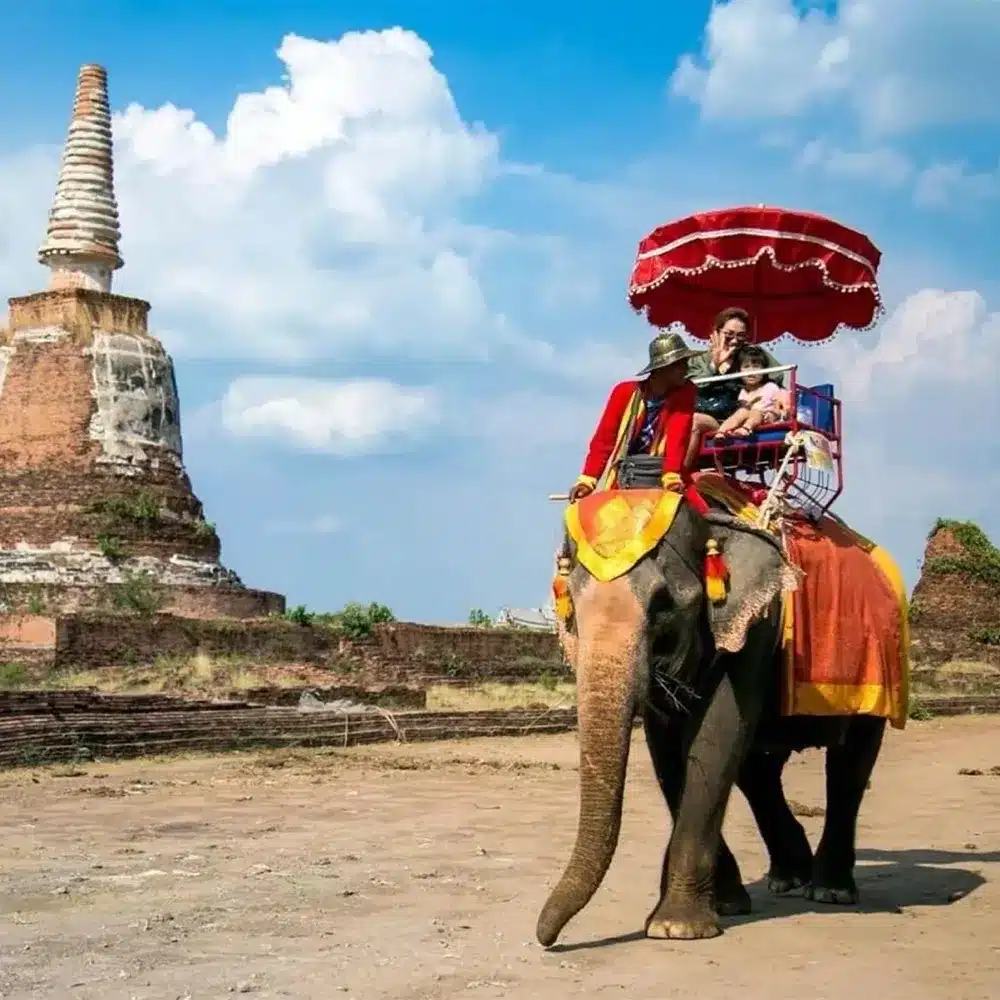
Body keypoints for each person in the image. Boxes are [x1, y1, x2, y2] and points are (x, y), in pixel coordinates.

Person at [568, 332, 708, 514]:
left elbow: (678, 437)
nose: (686, 369)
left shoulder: (686, 392)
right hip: (626, 475)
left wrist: (671, 476)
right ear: (662, 368)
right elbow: (604, 440)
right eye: (679, 364)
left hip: (665, 475)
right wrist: (588, 479)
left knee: (702, 517)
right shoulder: (623, 392)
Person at [684, 306, 784, 466]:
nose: (735, 341)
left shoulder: (747, 358)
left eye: (741, 336)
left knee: (695, 421)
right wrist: (715, 365)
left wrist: (753, 358)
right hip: (701, 409)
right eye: (729, 335)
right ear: (716, 333)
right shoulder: (698, 359)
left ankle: (681, 473)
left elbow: (778, 374)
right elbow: (692, 385)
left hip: (729, 419)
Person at [713, 345, 790, 440]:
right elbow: (742, 410)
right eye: (746, 367)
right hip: (747, 416)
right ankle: (721, 432)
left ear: (764, 370)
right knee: (741, 412)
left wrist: (775, 413)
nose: (751, 372)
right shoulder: (743, 391)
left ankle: (746, 428)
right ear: (740, 371)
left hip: (766, 417)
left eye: (756, 367)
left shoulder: (770, 387)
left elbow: (780, 407)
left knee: (756, 412)